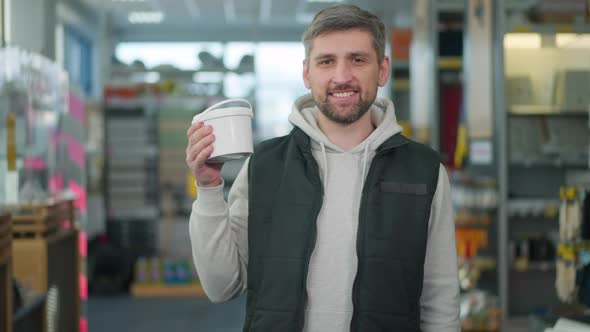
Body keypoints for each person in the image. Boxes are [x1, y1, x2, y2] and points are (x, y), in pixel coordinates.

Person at [186, 4, 460, 332]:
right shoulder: (265, 166)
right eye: (327, 61)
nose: (342, 76)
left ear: (382, 69)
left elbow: (440, 302)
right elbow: (221, 287)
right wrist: (208, 188)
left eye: (357, 60)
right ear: (307, 73)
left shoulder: (424, 171)